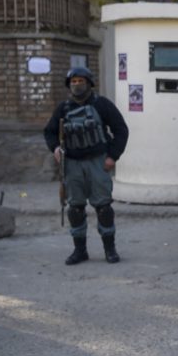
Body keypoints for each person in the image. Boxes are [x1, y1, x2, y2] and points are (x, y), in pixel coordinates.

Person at [43, 67, 129, 265]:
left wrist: (112, 156)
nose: (77, 85)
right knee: (75, 208)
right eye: (73, 82)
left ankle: (110, 249)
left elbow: (121, 130)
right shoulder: (63, 109)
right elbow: (49, 132)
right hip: (72, 164)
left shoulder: (102, 105)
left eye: (81, 81)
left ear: (89, 83)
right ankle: (80, 251)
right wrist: (55, 148)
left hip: (98, 162)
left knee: (104, 208)